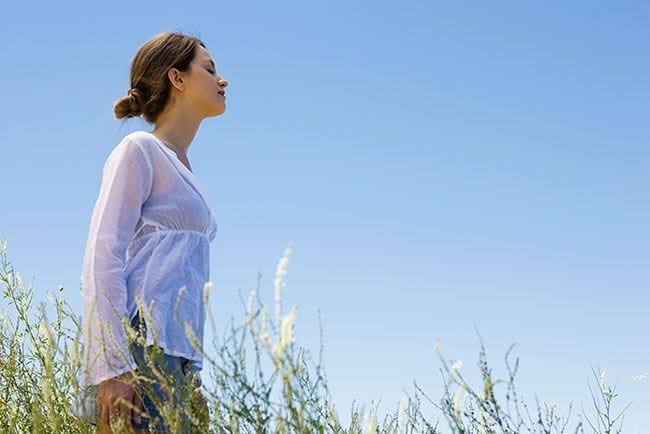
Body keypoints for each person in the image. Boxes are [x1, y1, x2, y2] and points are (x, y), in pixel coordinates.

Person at [77, 29, 228, 433]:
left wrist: (192, 375)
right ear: (177, 79)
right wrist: (113, 367)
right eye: (210, 69)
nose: (222, 80)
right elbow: (101, 256)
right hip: (140, 351)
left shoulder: (187, 171)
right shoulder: (139, 150)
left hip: (179, 360)